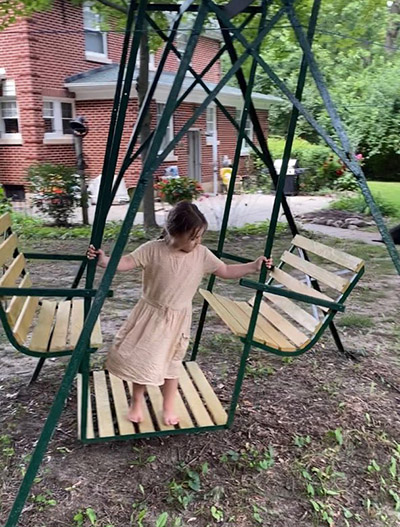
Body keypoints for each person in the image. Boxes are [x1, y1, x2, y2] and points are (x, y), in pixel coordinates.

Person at [87, 201, 272, 426]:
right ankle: (136, 402)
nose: (197, 242)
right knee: (142, 361)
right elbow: (125, 262)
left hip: (179, 320)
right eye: (192, 237)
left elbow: (224, 270)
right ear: (173, 232)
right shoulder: (152, 250)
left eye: (200, 237)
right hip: (151, 316)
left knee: (172, 365)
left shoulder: (201, 254)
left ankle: (168, 406)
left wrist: (253, 266)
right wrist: (104, 261)